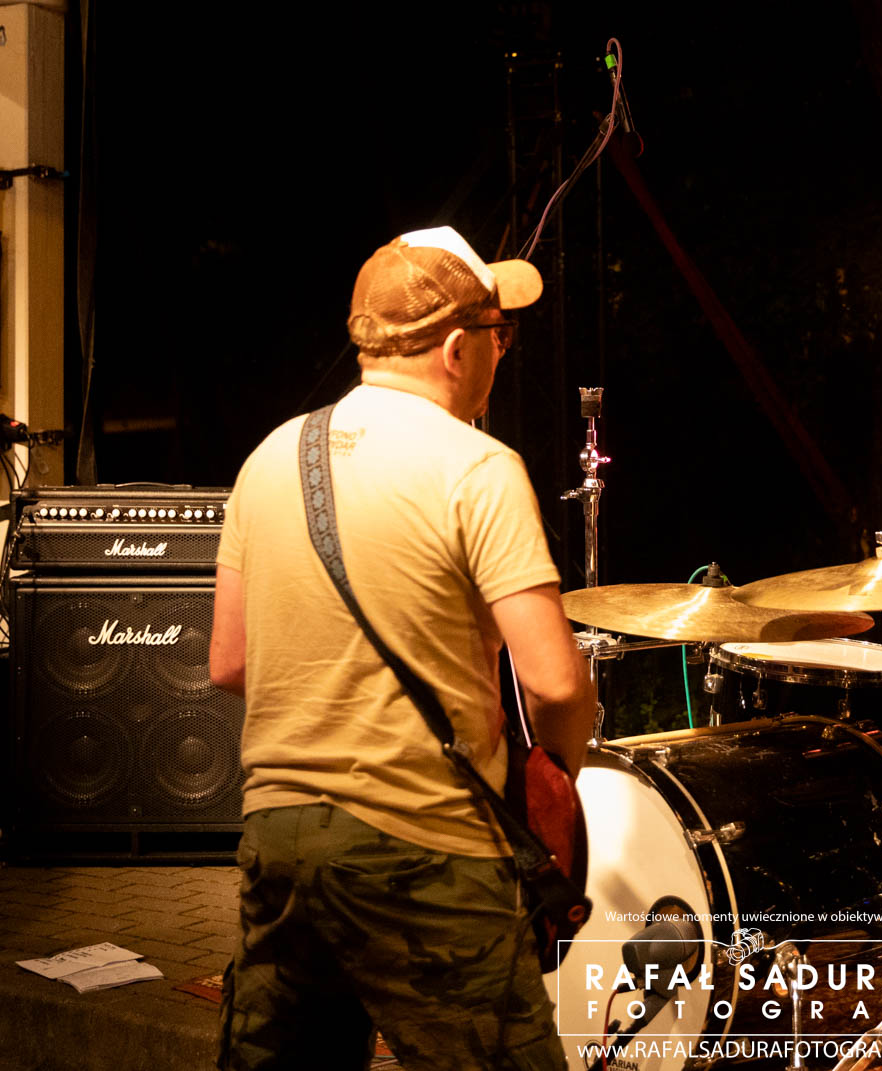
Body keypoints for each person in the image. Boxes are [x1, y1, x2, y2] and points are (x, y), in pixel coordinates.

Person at [209, 225, 595, 1071]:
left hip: (278, 843)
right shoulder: (478, 466)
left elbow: (229, 662)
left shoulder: (269, 458)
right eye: (499, 333)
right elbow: (556, 683)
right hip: (425, 849)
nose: (502, 351)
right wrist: (554, 779)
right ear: (457, 349)